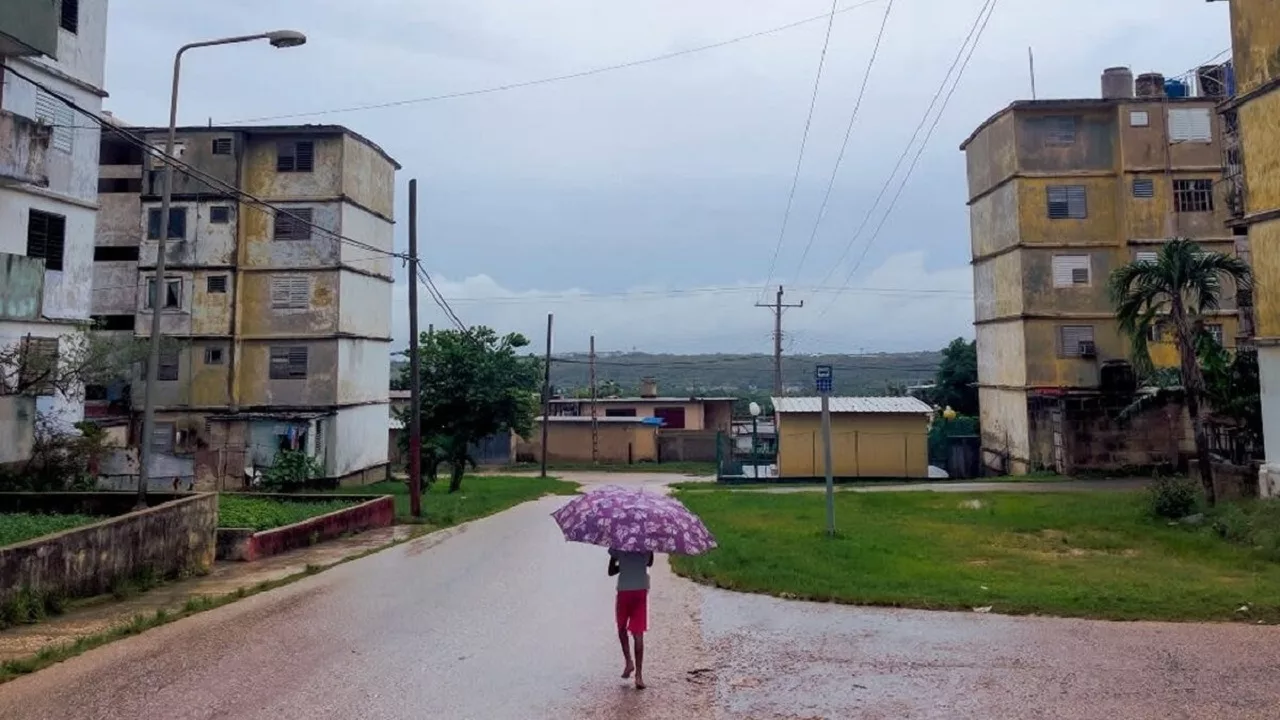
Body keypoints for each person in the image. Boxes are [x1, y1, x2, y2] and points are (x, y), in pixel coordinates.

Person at [608, 548, 654, 690]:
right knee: (638, 633)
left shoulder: (618, 545)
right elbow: (650, 564)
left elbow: (611, 571)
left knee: (622, 628)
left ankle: (628, 662)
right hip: (640, 591)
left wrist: (622, 566)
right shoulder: (646, 546)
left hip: (624, 591)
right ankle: (639, 676)